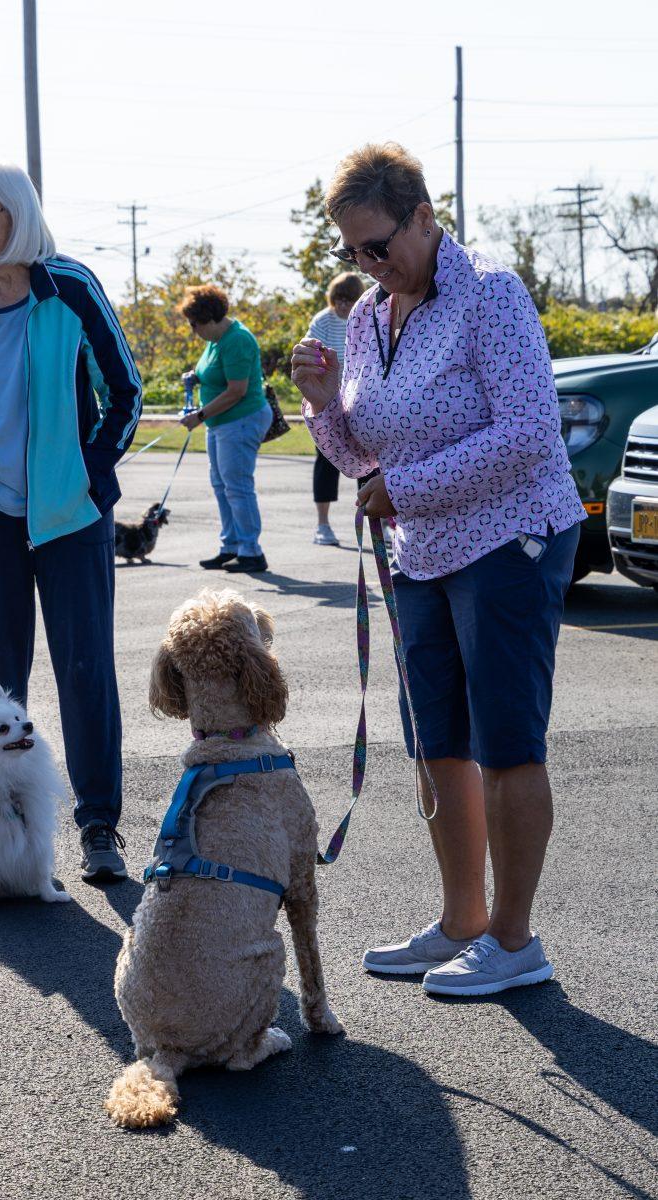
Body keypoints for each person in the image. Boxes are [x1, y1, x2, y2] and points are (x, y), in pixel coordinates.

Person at [292, 142, 585, 997]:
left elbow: (529, 430)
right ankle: (463, 921)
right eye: (352, 251)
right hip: (421, 550)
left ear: (423, 216)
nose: (367, 264)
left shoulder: (491, 293)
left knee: (506, 743)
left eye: (378, 245)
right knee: (437, 742)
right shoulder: (368, 316)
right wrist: (324, 408)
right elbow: (363, 460)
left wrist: (406, 488)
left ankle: (515, 941)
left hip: (510, 540)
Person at [0, 163, 142, 883]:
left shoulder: (70, 287)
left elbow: (126, 390)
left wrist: (91, 476)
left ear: (17, 217)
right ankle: (6, 841)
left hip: (70, 518)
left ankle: (98, 826)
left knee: (85, 674)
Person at [179, 285, 271, 574]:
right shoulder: (216, 340)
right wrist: (196, 377)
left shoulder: (237, 340)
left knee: (237, 487)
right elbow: (213, 372)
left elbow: (236, 391)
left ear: (209, 318)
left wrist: (200, 415)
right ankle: (231, 546)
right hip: (220, 424)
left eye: (194, 324)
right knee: (221, 486)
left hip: (241, 421)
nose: (193, 330)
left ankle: (251, 552)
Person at [306, 272, 365, 546]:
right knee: (326, 463)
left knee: (370, 466)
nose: (342, 305)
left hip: (360, 403)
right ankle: (323, 524)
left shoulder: (366, 318)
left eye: (348, 300)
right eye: (339, 299)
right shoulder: (323, 321)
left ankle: (379, 523)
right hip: (330, 404)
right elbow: (309, 353)